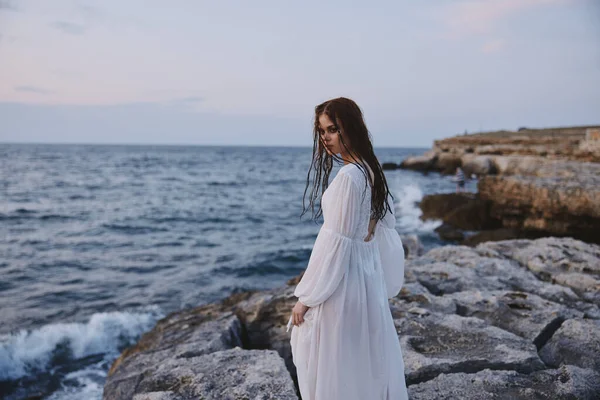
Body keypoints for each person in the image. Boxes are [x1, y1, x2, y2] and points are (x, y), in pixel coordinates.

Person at [287, 97, 408, 400]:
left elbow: (334, 245)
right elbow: (383, 231)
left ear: (349, 128)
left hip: (346, 284)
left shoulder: (349, 178)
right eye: (322, 132)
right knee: (363, 360)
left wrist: (306, 297)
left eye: (332, 130)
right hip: (367, 280)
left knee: (336, 361)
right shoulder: (370, 170)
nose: (325, 138)